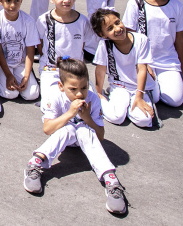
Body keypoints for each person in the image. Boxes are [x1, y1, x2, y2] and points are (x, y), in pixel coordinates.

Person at [22, 58, 128, 216]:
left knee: (83, 130)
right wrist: (70, 114)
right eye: (73, 89)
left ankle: (110, 180)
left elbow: (100, 136)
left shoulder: (93, 99)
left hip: (86, 137)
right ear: (61, 86)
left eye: (84, 87)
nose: (79, 93)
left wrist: (87, 118)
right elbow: (47, 129)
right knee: (69, 129)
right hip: (64, 134)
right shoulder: (55, 96)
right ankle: (35, 162)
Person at [122, 0, 183, 107]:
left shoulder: (176, 6)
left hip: (168, 62)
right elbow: (129, 38)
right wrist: (140, 62)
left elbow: (179, 39)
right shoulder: (135, 3)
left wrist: (181, 69)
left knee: (176, 101)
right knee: (153, 98)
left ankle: (163, 85)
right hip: (143, 62)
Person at [90, 8, 158, 129]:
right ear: (103, 35)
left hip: (140, 88)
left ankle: (129, 106)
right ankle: (114, 102)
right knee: (117, 117)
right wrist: (98, 93)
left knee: (144, 120)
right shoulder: (104, 45)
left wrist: (139, 96)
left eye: (117, 22)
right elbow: (100, 70)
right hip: (119, 85)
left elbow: (142, 69)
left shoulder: (141, 39)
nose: (117, 29)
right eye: (110, 28)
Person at [36, 0, 99, 89]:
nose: (66, 0)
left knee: (87, 96)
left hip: (76, 69)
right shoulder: (43, 20)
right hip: (51, 69)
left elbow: (82, 44)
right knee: (53, 97)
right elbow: (39, 43)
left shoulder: (82, 21)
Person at [0, 0, 40, 101]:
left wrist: (26, 76)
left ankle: (27, 75)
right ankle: (0, 76)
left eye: (16, 0)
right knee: (10, 94)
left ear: (21, 0)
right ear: (0, 1)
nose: (12, 5)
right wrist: (8, 74)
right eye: (8, 1)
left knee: (32, 95)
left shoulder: (28, 21)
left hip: (21, 63)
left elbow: (30, 50)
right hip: (3, 64)